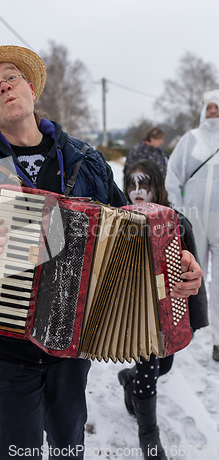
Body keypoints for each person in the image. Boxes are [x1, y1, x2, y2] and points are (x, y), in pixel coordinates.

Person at [0, 45, 203, 459]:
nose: (3, 86)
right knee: (19, 450)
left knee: (69, 442)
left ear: (30, 89)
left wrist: (179, 268)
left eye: (11, 77)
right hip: (4, 338)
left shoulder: (86, 161)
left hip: (76, 334)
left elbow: (137, 233)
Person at [119, 159, 208, 460]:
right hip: (136, 313)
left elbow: (193, 271)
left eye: (144, 185)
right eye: (131, 185)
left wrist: (194, 318)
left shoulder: (177, 221)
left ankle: (129, 379)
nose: (137, 191)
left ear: (157, 186)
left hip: (169, 312)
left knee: (164, 365)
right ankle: (149, 434)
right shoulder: (119, 222)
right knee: (149, 366)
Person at [165, 89, 219, 363]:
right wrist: (178, 213)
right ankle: (188, 326)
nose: (213, 112)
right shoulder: (191, 140)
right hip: (195, 218)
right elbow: (173, 177)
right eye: (209, 107)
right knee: (192, 274)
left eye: (217, 108)